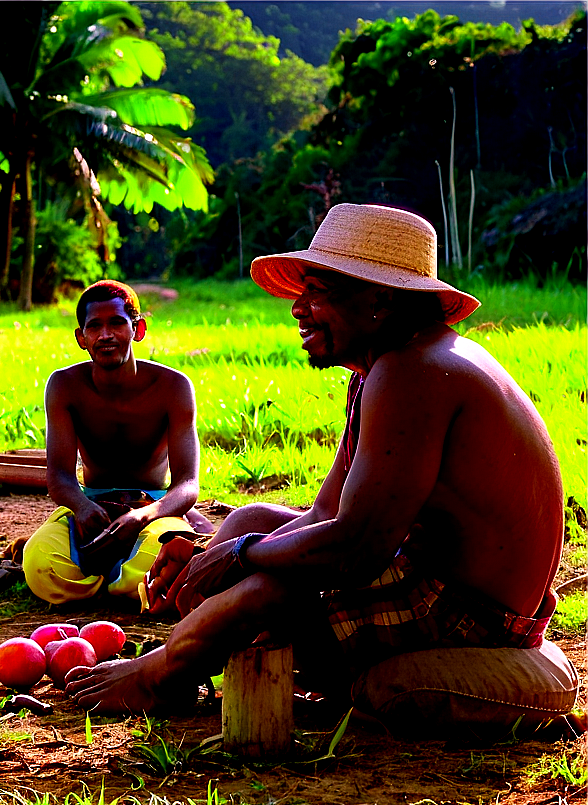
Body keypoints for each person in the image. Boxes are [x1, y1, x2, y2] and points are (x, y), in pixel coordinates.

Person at [65, 203, 566, 716]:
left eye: (317, 292)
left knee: (271, 588)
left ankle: (164, 673)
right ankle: (191, 646)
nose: (298, 308)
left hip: (471, 612)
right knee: (251, 517)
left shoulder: (411, 373)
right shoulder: (386, 368)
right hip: (434, 577)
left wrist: (238, 556)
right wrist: (216, 551)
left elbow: (355, 549)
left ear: (379, 300)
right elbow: (326, 513)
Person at [23, 279, 213, 606]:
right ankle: (121, 586)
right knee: (41, 562)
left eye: (117, 324)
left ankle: (108, 583)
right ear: (81, 338)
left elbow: (187, 484)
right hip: (90, 509)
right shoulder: (65, 386)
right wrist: (82, 508)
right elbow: (60, 477)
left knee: (163, 555)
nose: (105, 335)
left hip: (154, 509)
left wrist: (143, 516)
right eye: (94, 326)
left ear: (138, 330)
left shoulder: (173, 387)